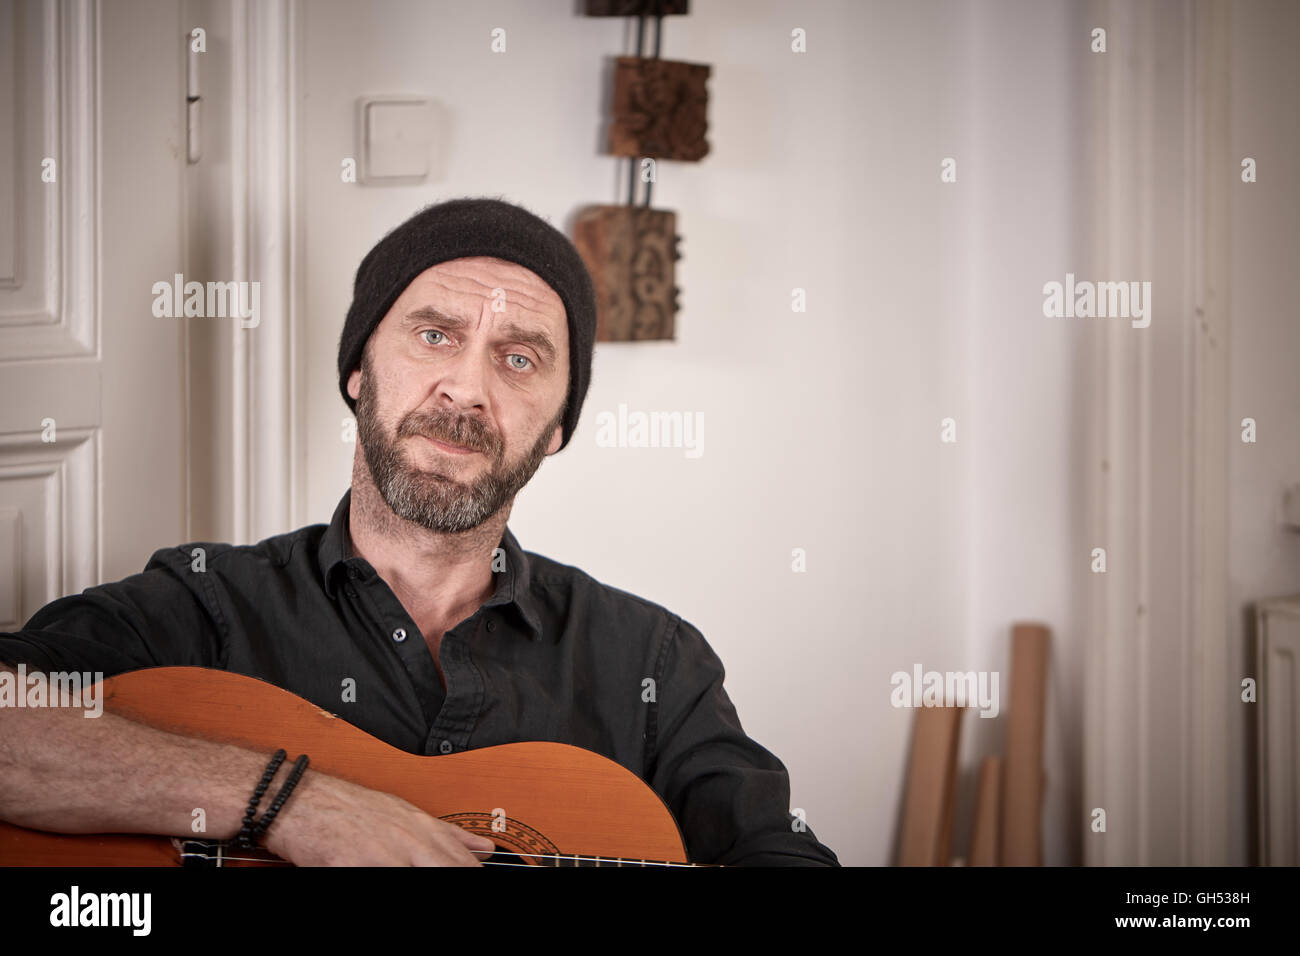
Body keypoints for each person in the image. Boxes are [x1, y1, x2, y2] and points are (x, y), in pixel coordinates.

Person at [0, 197, 839, 867]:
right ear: (360, 370)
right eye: (435, 335)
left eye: (519, 358)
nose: (466, 388)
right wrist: (291, 805)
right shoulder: (203, 608)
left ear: (555, 427)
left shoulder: (653, 663)